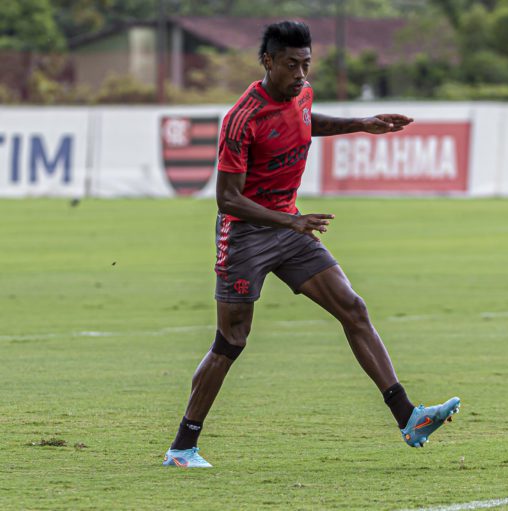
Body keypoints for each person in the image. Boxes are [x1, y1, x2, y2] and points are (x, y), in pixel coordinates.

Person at [163, 20, 460, 468]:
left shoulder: (302, 93)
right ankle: (182, 447)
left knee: (353, 308)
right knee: (231, 341)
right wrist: (290, 220)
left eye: (306, 64)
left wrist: (361, 124)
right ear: (267, 61)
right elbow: (227, 199)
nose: (301, 74)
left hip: (290, 228)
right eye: (290, 64)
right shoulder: (242, 118)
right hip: (246, 236)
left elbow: (304, 121)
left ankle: (408, 417)